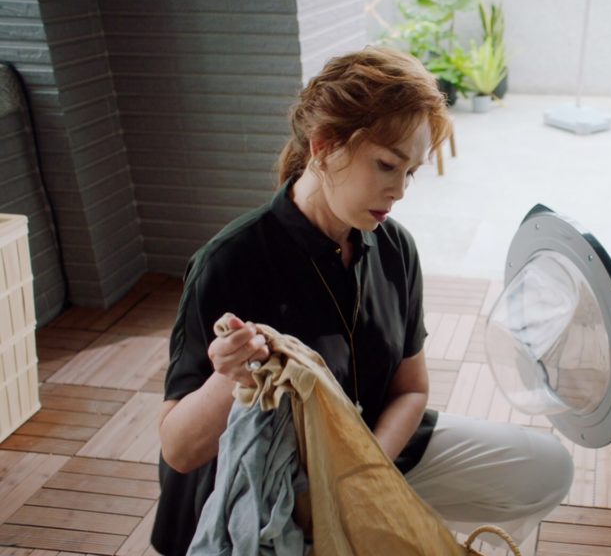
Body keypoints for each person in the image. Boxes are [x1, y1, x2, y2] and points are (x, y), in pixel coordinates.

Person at [151, 47, 574, 555]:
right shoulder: (231, 262)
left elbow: (411, 390)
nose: (400, 191)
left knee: (547, 469)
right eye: (387, 165)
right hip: (266, 496)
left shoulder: (394, 249)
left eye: (410, 172)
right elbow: (179, 450)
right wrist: (230, 378)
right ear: (324, 147)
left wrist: (364, 476)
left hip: (372, 457)